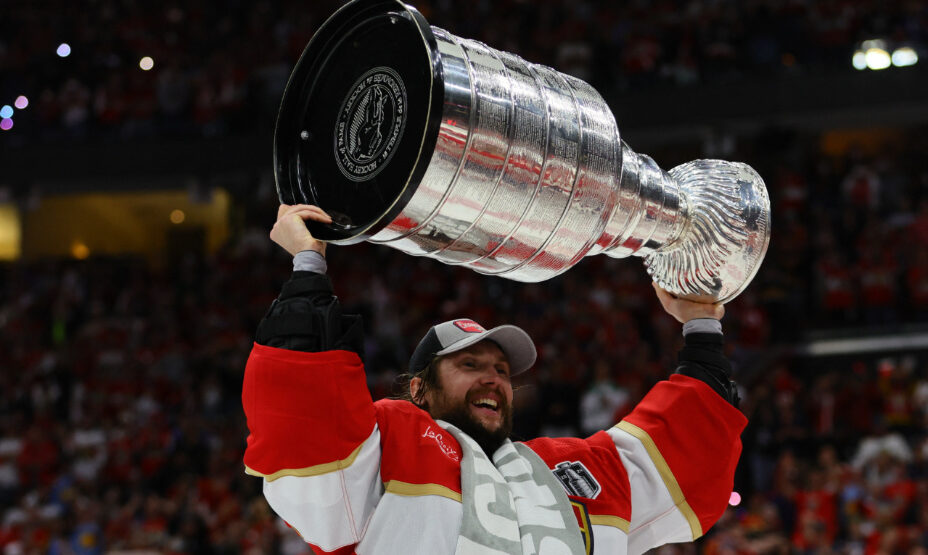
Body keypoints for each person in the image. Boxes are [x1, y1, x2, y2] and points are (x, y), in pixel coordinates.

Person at [242, 204, 747, 554]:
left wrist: (701, 325)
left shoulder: (573, 468)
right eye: (469, 365)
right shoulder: (388, 446)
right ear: (419, 389)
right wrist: (308, 263)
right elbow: (308, 425)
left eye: (501, 370)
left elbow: (686, 452)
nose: (492, 380)